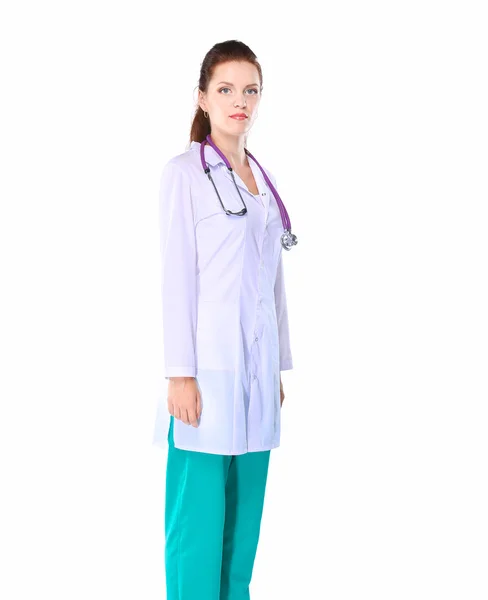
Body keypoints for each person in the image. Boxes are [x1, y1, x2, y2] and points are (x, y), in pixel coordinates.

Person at [153, 39, 294, 600]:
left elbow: (271, 284)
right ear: (203, 99)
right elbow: (176, 278)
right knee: (198, 525)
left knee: (244, 526)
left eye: (250, 89)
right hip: (205, 376)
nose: (241, 100)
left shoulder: (262, 184)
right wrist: (179, 372)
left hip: (257, 375)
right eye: (227, 89)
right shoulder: (184, 174)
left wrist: (278, 365)